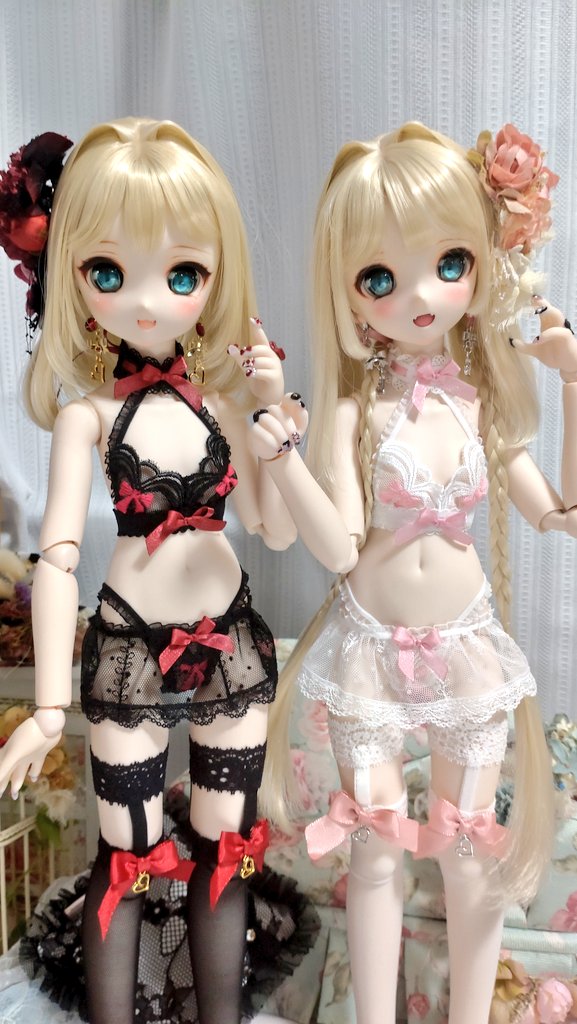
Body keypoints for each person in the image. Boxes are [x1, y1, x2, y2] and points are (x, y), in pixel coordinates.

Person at [0, 117, 327, 1024]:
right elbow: (56, 560)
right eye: (108, 272)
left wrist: (276, 431)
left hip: (230, 645)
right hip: (129, 650)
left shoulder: (226, 400)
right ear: (67, 276)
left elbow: (273, 530)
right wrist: (50, 709)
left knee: (226, 849)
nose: (147, 302)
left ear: (217, 277)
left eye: (182, 275)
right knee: (129, 854)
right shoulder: (88, 417)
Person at [251, 122, 577, 1024]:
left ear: (481, 261)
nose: (421, 295)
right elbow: (335, 545)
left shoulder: (480, 400)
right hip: (369, 647)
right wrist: (282, 460)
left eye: (448, 262)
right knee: (374, 853)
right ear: (349, 291)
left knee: (468, 853)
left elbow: (559, 513)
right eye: (380, 278)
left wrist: (571, 380)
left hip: (465, 643)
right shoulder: (354, 408)